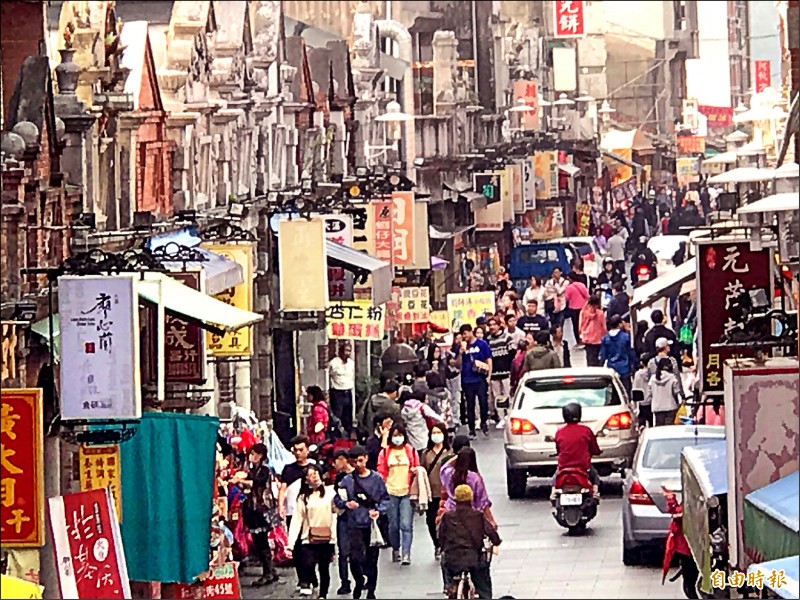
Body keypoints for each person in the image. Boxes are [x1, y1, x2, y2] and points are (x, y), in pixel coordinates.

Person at [334, 446, 390, 600]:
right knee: (355, 558)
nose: (358, 464)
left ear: (366, 458)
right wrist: (346, 504)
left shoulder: (376, 479)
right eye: (355, 461)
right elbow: (337, 498)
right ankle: (359, 580)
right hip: (354, 525)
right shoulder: (347, 480)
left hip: (372, 525)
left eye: (360, 460)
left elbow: (385, 499)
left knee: (372, 560)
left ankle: (371, 590)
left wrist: (379, 510)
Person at [438, 485, 502, 600]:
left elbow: (440, 537)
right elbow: (491, 532)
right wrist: (496, 541)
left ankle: (449, 586)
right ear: (470, 498)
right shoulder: (478, 516)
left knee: (444, 562)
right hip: (474, 560)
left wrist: (445, 547)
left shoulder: (447, 517)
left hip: (452, 559)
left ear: (455, 499)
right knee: (483, 583)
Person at [288, 465, 337, 598]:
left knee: (324, 568)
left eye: (315, 473)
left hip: (327, 537)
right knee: (307, 563)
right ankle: (311, 582)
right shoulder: (303, 498)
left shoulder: (330, 493)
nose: (314, 476)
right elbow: (297, 519)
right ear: (305, 480)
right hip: (308, 537)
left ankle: (323, 594)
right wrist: (290, 543)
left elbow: (337, 510)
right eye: (310, 474)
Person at [377, 423, 419, 565]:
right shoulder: (385, 452)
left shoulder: (411, 451)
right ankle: (396, 548)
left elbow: (416, 469)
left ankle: (406, 553)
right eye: (394, 435)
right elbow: (381, 472)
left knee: (406, 524)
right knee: (393, 525)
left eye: (400, 435)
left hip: (407, 491)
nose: (397, 438)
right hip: (390, 491)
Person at [240, 443, 280, 587]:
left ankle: (268, 572)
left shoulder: (264, 470)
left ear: (261, 455)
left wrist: (242, 481)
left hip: (261, 511)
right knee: (259, 542)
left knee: (261, 541)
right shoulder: (252, 469)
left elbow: (257, 483)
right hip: (253, 510)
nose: (253, 456)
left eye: (256, 454)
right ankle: (271, 571)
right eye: (251, 453)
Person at [279, 436, 315, 588]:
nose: (298, 453)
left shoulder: (315, 467)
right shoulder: (288, 469)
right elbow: (283, 488)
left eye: (301, 450)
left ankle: (311, 575)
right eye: (295, 450)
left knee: (311, 546)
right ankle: (303, 579)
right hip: (292, 512)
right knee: (297, 546)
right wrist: (280, 506)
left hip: (313, 513)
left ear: (307, 449)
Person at [552, 403, 601, 499]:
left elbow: (558, 449)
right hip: (584, 467)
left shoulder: (559, 432)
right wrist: (596, 452)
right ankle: (595, 493)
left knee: (555, 479)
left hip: (564, 467)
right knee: (595, 478)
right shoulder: (586, 430)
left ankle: (553, 493)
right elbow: (594, 448)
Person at [439, 448, 495, 526]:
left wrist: (457, 457)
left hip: (451, 512)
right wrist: (491, 520)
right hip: (471, 516)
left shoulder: (449, 474)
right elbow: (483, 502)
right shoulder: (475, 478)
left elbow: (444, 467)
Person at [420, 425, 450, 561]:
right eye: (434, 433)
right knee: (431, 520)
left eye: (439, 432)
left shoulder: (450, 452)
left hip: (446, 492)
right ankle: (436, 544)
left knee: (446, 520)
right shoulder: (426, 454)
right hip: (431, 492)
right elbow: (422, 472)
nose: (436, 435)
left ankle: (445, 544)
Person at [458, 324, 493, 439]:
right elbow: (457, 363)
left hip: (480, 378)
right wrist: (461, 352)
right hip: (467, 379)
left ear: (470, 332)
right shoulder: (462, 346)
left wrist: (489, 376)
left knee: (483, 402)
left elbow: (489, 359)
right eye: (462, 334)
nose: (464, 336)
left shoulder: (482, 344)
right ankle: (471, 429)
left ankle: (484, 421)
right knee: (470, 404)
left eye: (465, 333)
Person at [333, 450, 355, 596]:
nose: (334, 465)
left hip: (359, 518)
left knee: (358, 551)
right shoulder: (339, 477)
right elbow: (336, 497)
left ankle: (362, 577)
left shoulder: (358, 475)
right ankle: (344, 582)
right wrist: (343, 504)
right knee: (343, 552)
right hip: (344, 517)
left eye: (336, 461)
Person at [486, 317, 514, 429]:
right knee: (497, 397)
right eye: (490, 325)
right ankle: (501, 417)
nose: (492, 327)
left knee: (507, 395)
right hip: (494, 373)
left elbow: (512, 354)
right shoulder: (487, 340)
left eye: (494, 324)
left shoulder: (507, 337)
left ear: (499, 325)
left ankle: (509, 416)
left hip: (506, 372)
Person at [600, 315, 635, 398]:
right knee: (626, 391)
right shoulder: (625, 337)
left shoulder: (605, 338)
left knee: (613, 392)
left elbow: (603, 355)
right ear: (619, 324)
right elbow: (630, 353)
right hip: (624, 367)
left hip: (612, 367)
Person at [647, 357, 684, 426]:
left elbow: (649, 393)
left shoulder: (653, 379)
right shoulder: (672, 377)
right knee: (669, 430)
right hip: (670, 407)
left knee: (659, 430)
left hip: (657, 408)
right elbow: (677, 391)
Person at [329, 343, 355, 437]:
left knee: (348, 416)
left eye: (349, 351)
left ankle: (347, 436)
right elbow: (329, 376)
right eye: (346, 350)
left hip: (348, 392)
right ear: (340, 351)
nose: (347, 353)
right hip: (337, 393)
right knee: (337, 416)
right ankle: (336, 436)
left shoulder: (351, 363)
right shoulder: (333, 363)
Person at [579, 295, 607, 367]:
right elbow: (603, 327)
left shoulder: (583, 312)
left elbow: (580, 326)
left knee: (589, 356)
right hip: (597, 338)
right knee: (596, 357)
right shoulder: (600, 313)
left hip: (587, 338)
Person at [563, 271, 589, 346]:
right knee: (583, 324)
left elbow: (567, 298)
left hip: (573, 308)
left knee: (575, 325)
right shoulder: (582, 285)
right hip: (583, 307)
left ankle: (578, 340)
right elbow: (587, 295)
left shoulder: (569, 287)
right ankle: (585, 338)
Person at [445, 334, 463, 429]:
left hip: (459, 376)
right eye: (457, 338)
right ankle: (453, 418)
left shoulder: (464, 349)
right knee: (451, 398)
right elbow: (452, 362)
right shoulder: (451, 350)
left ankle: (457, 418)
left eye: (460, 338)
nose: (459, 340)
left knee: (457, 398)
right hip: (451, 376)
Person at [632, 354, 652, 429]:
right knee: (651, 422)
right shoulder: (653, 373)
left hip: (641, 401)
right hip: (651, 400)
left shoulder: (638, 374)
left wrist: (634, 405)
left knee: (641, 421)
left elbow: (635, 388)